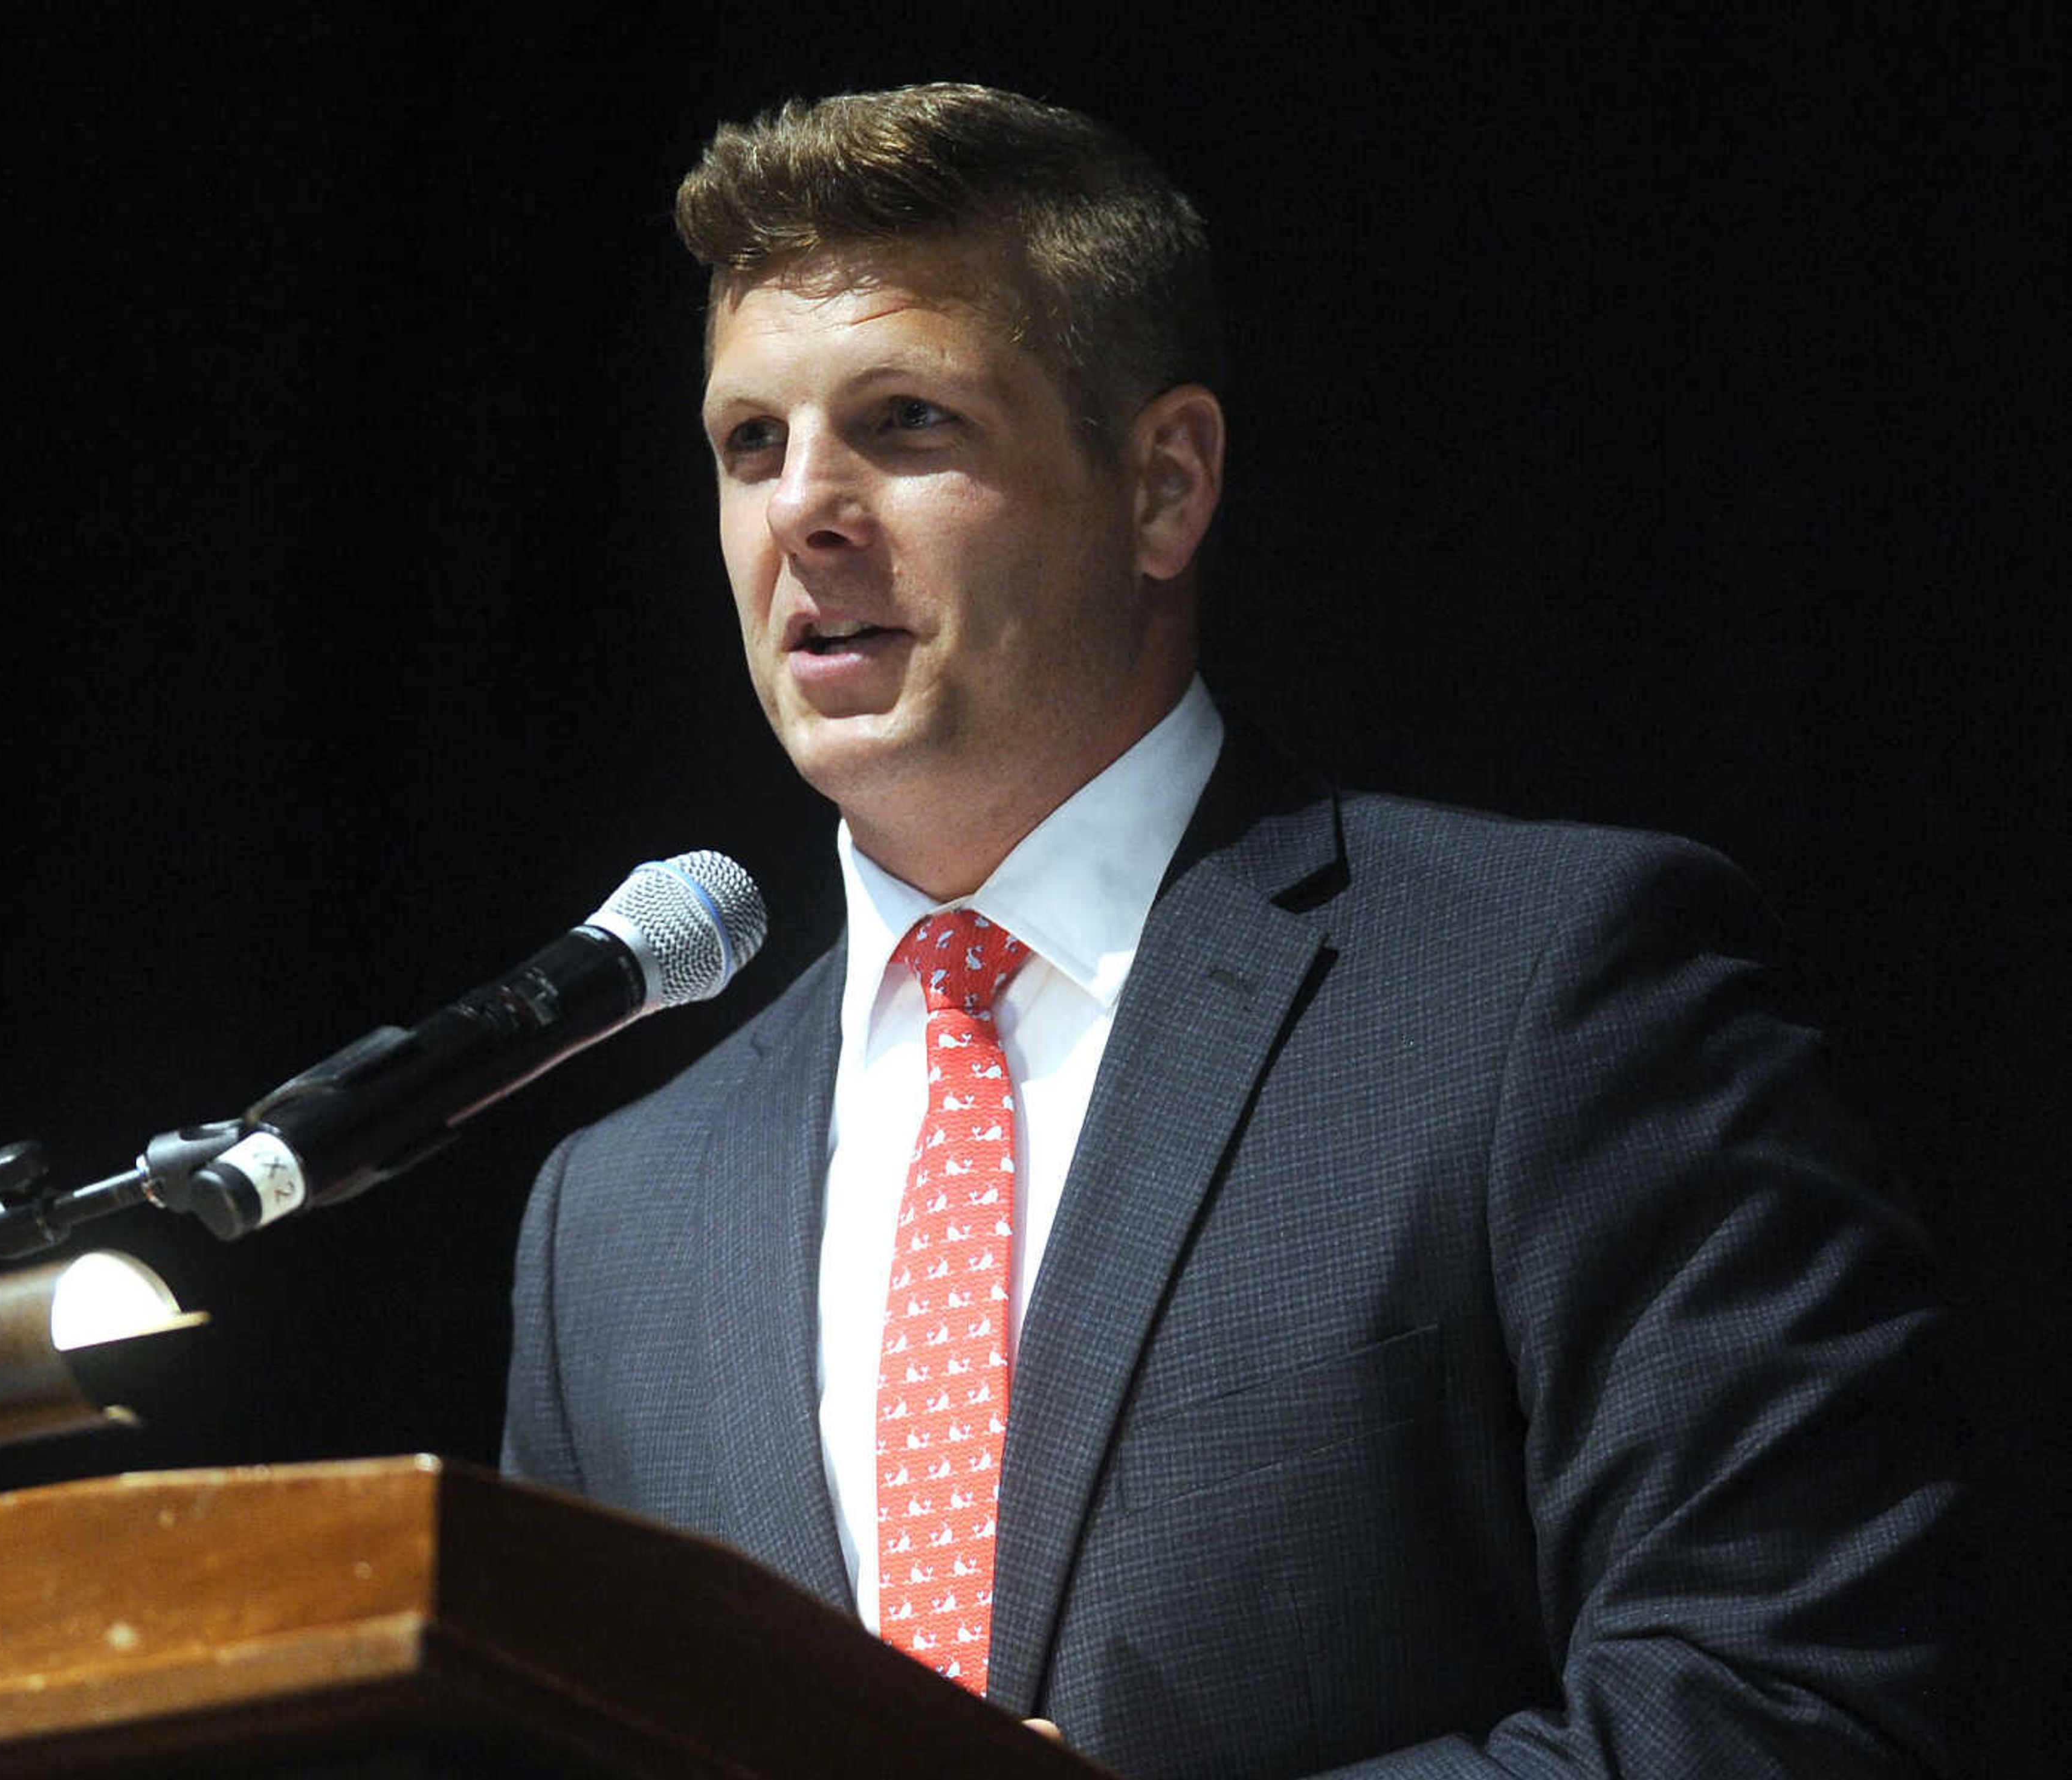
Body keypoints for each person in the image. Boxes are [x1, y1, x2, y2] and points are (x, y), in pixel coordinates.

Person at [502, 83, 1952, 1776]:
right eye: (750, 443)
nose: (802, 510)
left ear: (1164, 484)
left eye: (902, 421)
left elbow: (1790, 1704)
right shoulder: (614, 1217)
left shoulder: (1550, 993)